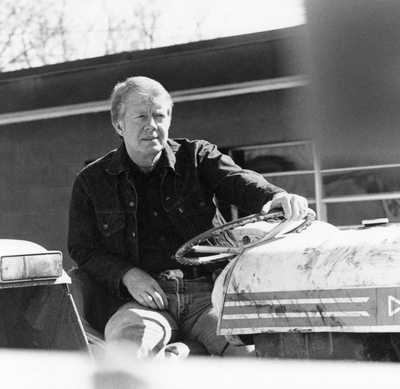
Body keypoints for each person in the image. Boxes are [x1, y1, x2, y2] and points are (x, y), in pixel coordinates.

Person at [67, 76, 309, 359]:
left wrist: (274, 197)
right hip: (139, 302)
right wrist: (128, 276)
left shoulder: (197, 157)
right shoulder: (92, 181)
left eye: (159, 115)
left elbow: (238, 181)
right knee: (127, 351)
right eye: (141, 117)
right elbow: (83, 249)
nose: (152, 126)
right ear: (118, 125)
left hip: (209, 297)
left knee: (252, 357)